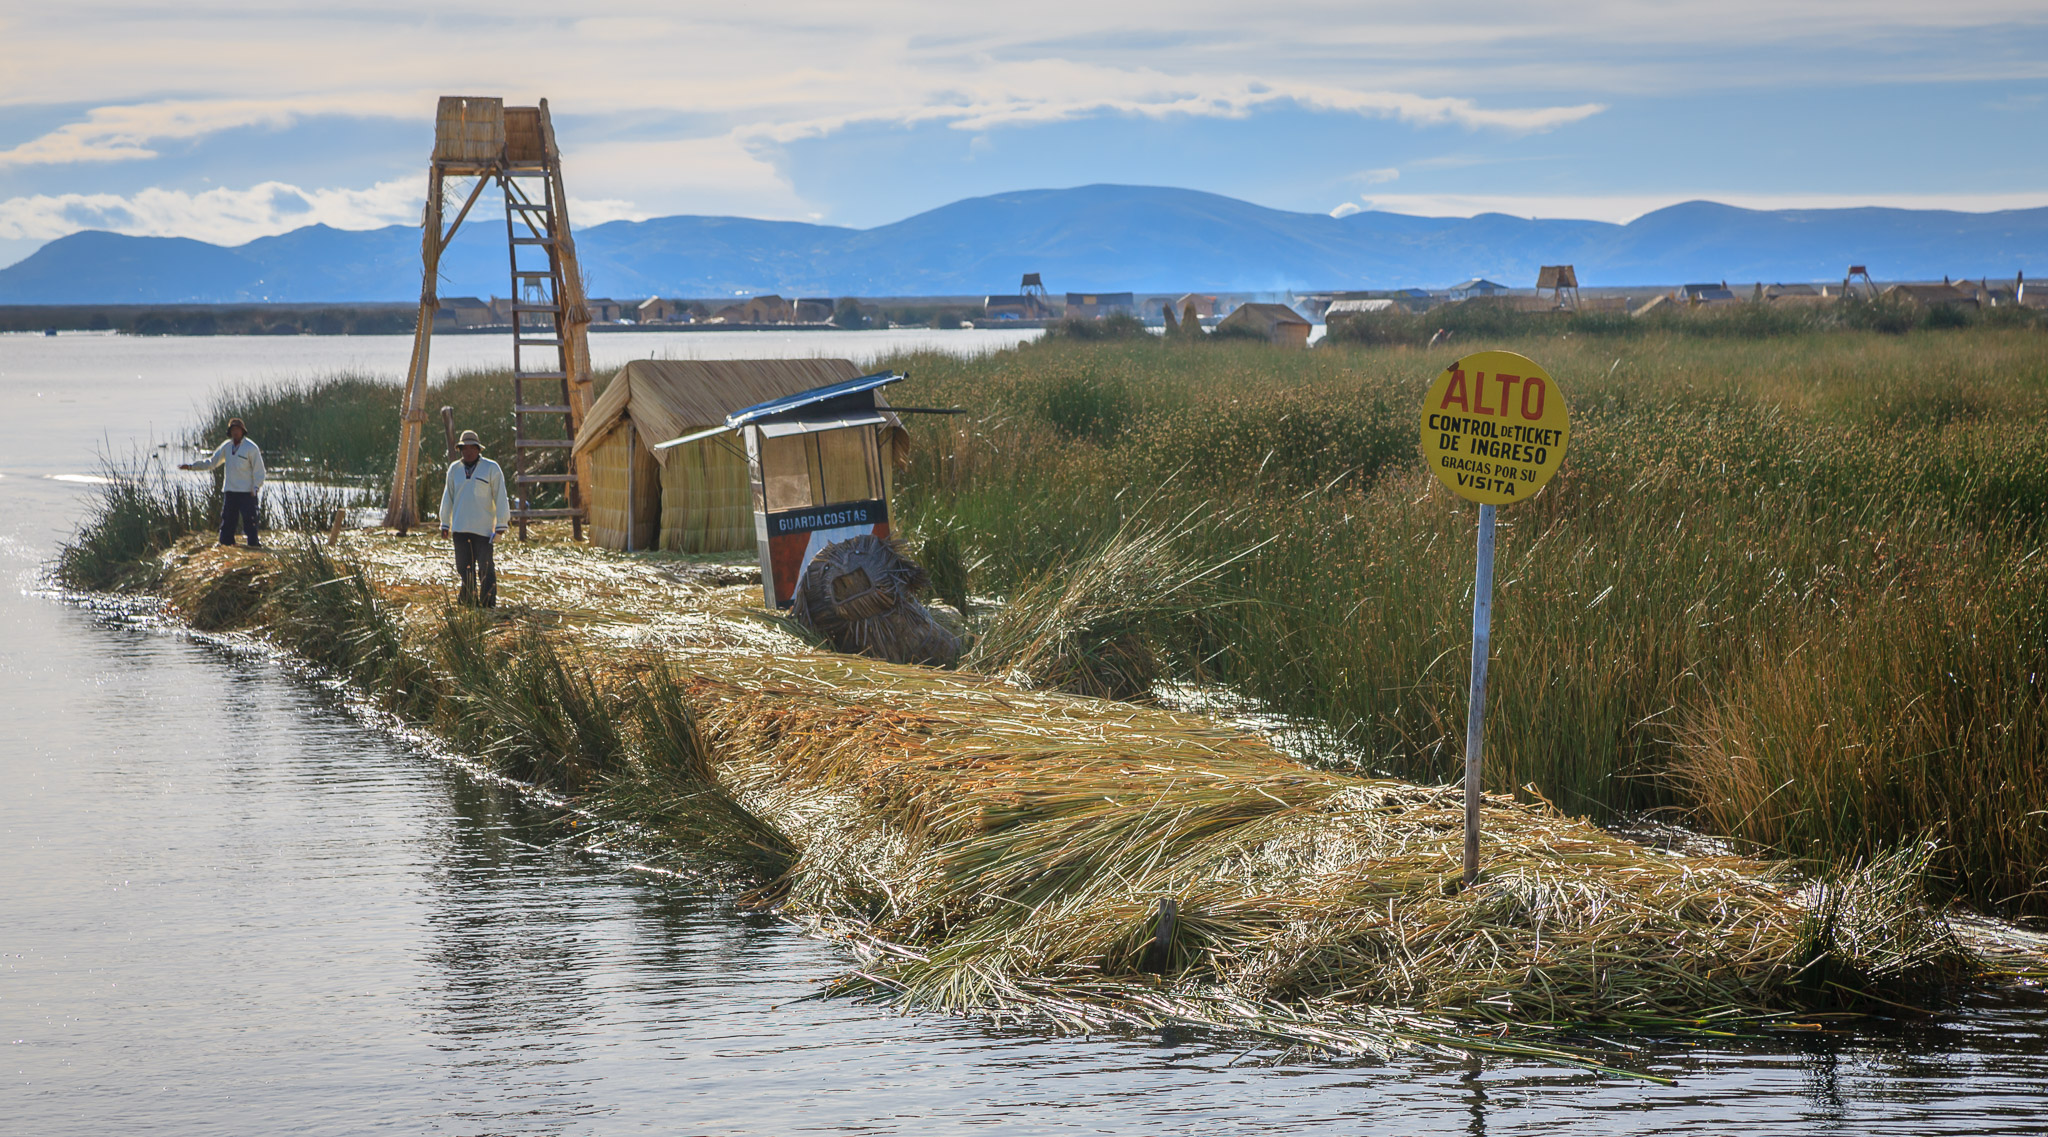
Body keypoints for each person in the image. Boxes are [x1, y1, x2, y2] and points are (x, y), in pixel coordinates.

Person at [438, 429, 509, 607]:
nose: (468, 452)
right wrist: (444, 523)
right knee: (464, 568)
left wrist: (501, 524)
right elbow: (448, 496)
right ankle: (468, 601)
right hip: (460, 528)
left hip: (484, 530)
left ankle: (488, 603)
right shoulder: (454, 469)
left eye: (472, 448)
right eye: (464, 448)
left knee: (486, 568)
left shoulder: (491, 468)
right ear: (461, 450)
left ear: (478, 449)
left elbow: (501, 496)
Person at [180, 417, 266, 547]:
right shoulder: (226, 446)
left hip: (247, 493)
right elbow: (212, 462)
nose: (235, 432)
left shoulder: (251, 448)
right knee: (227, 522)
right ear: (230, 432)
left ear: (243, 431)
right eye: (233, 430)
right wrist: (192, 467)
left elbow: (260, 471)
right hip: (230, 491)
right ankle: (226, 545)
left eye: (238, 430)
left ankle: (253, 546)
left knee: (250, 522)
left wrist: (255, 487)